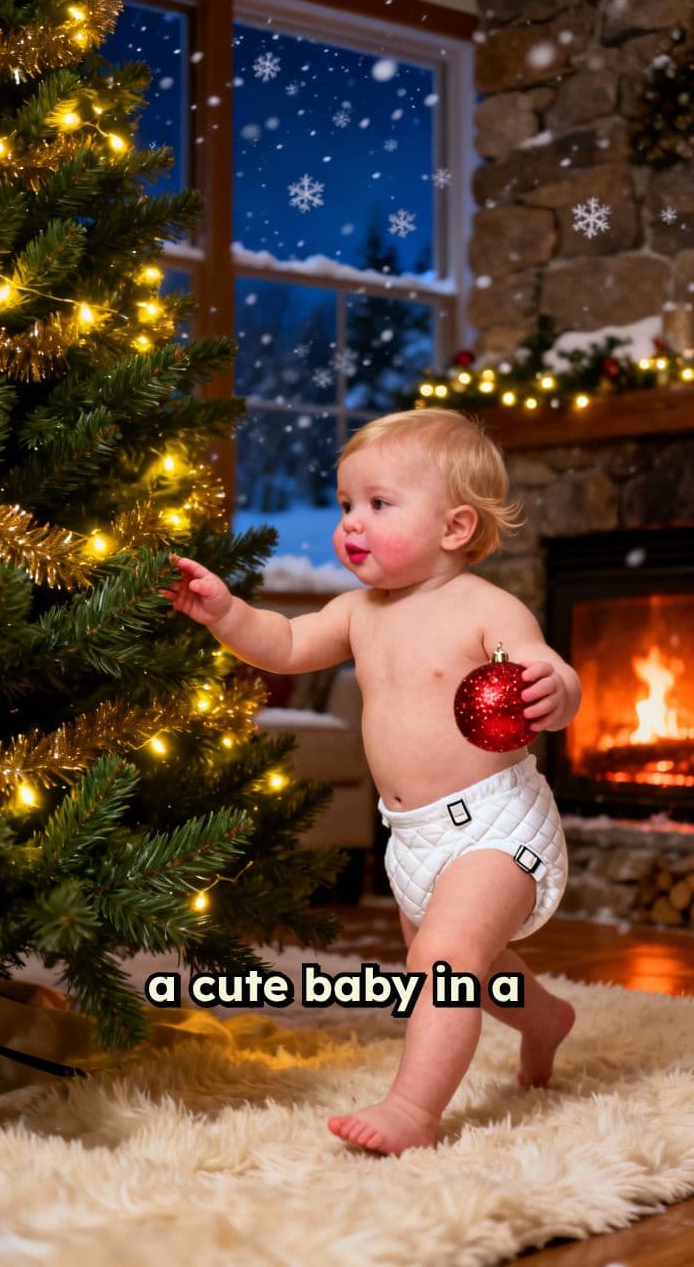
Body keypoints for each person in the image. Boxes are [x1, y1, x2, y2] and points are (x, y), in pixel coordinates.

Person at [164, 407, 580, 1157]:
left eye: (379, 505)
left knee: (444, 961)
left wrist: (557, 689)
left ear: (455, 528)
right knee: (473, 968)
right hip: (414, 839)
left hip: (495, 825)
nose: (351, 522)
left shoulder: (485, 606)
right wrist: (227, 615)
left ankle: (413, 1110)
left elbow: (538, 662)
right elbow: (286, 643)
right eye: (346, 503)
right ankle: (545, 1018)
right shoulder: (357, 611)